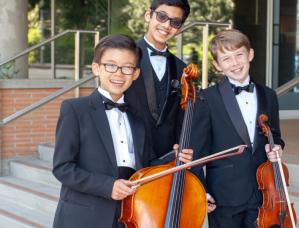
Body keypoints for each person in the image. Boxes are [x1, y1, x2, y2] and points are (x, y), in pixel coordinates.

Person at [52, 34, 193, 228]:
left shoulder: (138, 118)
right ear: (96, 68)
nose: (119, 74)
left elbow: (145, 164)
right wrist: (108, 186)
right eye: (110, 65)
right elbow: (63, 168)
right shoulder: (75, 109)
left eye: (127, 68)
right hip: (85, 216)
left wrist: (173, 157)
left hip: (129, 213)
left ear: (135, 74)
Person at [190, 29, 285, 228]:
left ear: (250, 54)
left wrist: (277, 147)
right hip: (224, 195)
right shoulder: (206, 98)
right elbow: (197, 152)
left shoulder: (268, 95)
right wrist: (201, 190)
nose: (235, 63)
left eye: (239, 55)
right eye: (226, 59)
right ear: (217, 65)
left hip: (263, 193)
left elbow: (275, 134)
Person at [124, 0, 191, 159]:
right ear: (148, 15)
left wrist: (181, 146)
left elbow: (181, 118)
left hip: (167, 158)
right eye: (162, 17)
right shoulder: (125, 57)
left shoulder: (182, 68)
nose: (166, 25)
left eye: (174, 22)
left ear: (179, 28)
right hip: (130, 152)